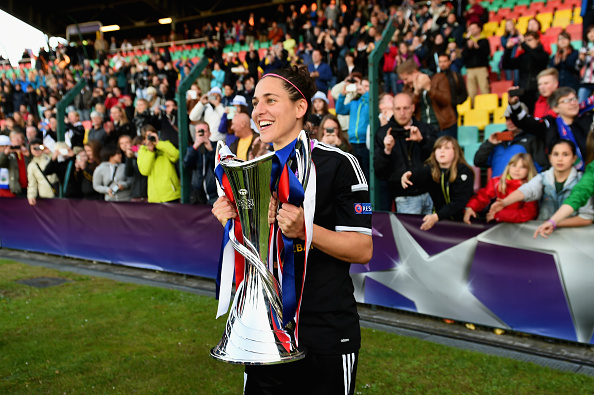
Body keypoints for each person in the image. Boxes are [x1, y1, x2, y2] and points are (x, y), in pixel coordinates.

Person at [211, 66, 372, 394]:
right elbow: (258, 252)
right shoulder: (253, 171)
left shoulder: (339, 164)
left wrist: (305, 229)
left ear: (301, 108)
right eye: (255, 102)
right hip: (264, 332)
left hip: (324, 331)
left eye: (271, 100)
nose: (259, 111)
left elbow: (362, 249)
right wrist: (234, 222)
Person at [490, 140, 594, 238]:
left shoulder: (583, 181)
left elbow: (586, 218)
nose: (560, 159)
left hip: (574, 237)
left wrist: (553, 223)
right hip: (543, 235)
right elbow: (527, 190)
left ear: (574, 158)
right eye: (556, 154)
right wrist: (504, 202)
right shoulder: (543, 177)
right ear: (550, 158)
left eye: (565, 154)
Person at [374, 92, 438, 215]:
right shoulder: (383, 133)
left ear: (413, 108)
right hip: (404, 196)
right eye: (398, 109)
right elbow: (379, 170)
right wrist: (387, 151)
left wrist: (422, 140)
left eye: (406, 108)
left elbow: (438, 157)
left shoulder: (425, 129)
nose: (402, 113)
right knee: (408, 234)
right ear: (392, 109)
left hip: (430, 193)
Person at [508, 86, 591, 171]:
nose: (573, 103)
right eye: (566, 101)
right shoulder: (550, 123)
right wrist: (514, 105)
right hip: (561, 176)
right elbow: (524, 122)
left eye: (574, 99)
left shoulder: (589, 119)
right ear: (555, 108)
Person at [401, 136, 475, 230]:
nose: (442, 151)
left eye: (447, 148)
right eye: (439, 148)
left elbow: (459, 202)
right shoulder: (432, 170)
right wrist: (408, 174)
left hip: (464, 223)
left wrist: (436, 217)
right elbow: (419, 172)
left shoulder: (464, 171)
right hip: (442, 222)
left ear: (456, 152)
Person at [474, 103, 546, 177]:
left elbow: (542, 168)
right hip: (496, 187)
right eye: (507, 118)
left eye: (514, 118)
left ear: (524, 119)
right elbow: (478, 162)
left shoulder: (532, 139)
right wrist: (489, 144)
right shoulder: (497, 140)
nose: (510, 122)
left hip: (521, 187)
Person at [464, 153, 538, 224]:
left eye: (522, 167)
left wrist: (498, 215)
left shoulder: (531, 187)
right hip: (498, 225)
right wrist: (470, 208)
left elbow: (529, 213)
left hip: (521, 227)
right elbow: (482, 197)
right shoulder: (497, 182)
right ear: (508, 167)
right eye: (514, 165)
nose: (517, 170)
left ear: (529, 170)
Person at [397, 58, 457, 138]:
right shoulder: (407, 88)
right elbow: (409, 108)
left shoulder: (439, 78)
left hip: (443, 127)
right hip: (423, 129)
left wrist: (429, 88)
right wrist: (416, 93)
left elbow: (446, 101)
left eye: (406, 79)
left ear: (415, 72)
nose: (405, 82)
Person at [501, 31, 550, 113]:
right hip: (524, 92)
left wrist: (523, 43)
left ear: (537, 40)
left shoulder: (543, 54)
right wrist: (508, 49)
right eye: (525, 40)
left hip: (537, 92)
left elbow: (537, 58)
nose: (527, 43)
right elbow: (505, 65)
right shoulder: (523, 56)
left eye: (529, 40)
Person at [335, 74, 371, 180]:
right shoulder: (354, 102)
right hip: (353, 142)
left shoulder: (370, 102)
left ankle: (369, 196)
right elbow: (340, 109)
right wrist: (342, 95)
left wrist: (366, 94)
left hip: (366, 143)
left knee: (367, 174)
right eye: (361, 85)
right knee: (356, 174)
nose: (363, 88)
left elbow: (371, 104)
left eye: (367, 86)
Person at [137, 124, 181, 203]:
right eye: (148, 136)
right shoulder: (143, 151)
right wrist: (150, 152)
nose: (150, 139)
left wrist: (158, 144)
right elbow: (144, 171)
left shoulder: (164, 145)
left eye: (152, 135)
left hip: (171, 194)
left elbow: (176, 155)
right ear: (144, 140)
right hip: (155, 197)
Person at [183, 122, 217, 205]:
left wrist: (210, 150)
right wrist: (195, 147)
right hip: (197, 196)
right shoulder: (192, 149)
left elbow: (218, 166)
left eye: (204, 131)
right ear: (195, 134)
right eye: (199, 132)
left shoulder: (216, 146)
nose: (202, 134)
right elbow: (186, 164)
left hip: (214, 195)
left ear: (209, 133)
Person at [461, 22, 491, 103]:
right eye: (471, 29)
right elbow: (464, 55)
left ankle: (487, 105)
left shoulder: (484, 40)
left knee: (484, 88)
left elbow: (487, 53)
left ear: (479, 29)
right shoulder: (466, 41)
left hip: (481, 68)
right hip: (470, 69)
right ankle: (473, 108)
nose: (472, 30)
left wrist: (478, 48)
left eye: (474, 28)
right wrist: (468, 47)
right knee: (471, 91)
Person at [26, 139, 58, 205]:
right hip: (44, 196)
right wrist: (31, 196)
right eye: (34, 148)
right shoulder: (32, 165)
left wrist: (49, 152)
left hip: (57, 193)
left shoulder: (50, 157)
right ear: (30, 150)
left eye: (39, 147)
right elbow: (32, 183)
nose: (37, 150)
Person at [0, 131, 30, 197]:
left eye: (19, 138)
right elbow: (1, 164)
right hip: (16, 187)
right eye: (14, 138)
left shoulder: (28, 150)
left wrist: (29, 155)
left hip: (30, 186)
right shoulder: (10, 154)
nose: (16, 140)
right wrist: (5, 154)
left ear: (22, 140)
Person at [123, 135, 148, 202]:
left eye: (142, 146)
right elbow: (127, 173)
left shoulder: (150, 158)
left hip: (149, 194)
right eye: (137, 147)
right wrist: (129, 158)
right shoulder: (133, 160)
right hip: (136, 194)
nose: (140, 149)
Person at [577, 25, 594, 103]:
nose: (591, 34)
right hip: (586, 81)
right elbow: (577, 67)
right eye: (589, 32)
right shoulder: (584, 49)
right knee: (580, 104)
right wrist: (581, 60)